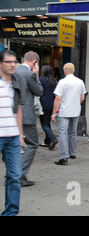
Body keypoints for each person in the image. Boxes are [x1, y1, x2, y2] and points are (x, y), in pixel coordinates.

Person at [0, 50, 24, 216]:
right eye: (8, 62)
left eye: (14, 61)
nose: (12, 64)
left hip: (13, 137)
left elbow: (18, 110)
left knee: (15, 176)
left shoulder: (16, 82)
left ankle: (11, 213)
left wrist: (21, 135)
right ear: (1, 63)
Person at [14, 51, 43, 187]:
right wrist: (36, 75)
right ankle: (19, 175)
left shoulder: (14, 70)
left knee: (13, 146)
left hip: (12, 113)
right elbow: (39, 91)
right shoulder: (30, 74)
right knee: (32, 143)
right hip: (25, 115)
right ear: (35, 62)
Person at [51, 63, 87, 165]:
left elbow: (58, 98)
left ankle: (63, 156)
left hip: (65, 110)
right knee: (73, 132)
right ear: (74, 70)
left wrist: (54, 112)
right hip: (75, 110)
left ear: (64, 70)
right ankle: (72, 152)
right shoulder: (80, 82)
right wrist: (75, 103)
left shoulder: (62, 82)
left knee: (63, 133)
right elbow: (82, 97)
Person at [38, 65, 58, 150]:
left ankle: (53, 139)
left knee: (44, 124)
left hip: (43, 104)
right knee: (47, 122)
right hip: (52, 104)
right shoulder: (54, 81)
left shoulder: (41, 80)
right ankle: (47, 141)